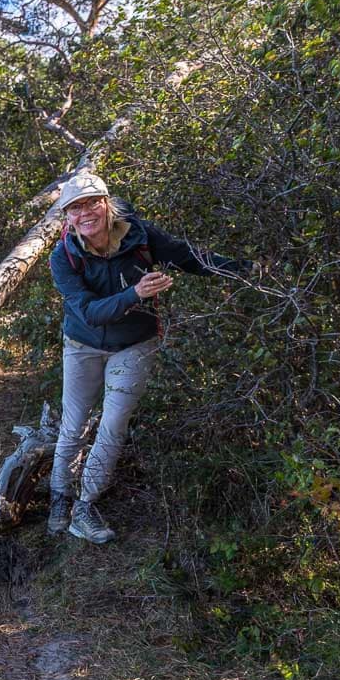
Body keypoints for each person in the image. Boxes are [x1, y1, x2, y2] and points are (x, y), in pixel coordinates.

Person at [47, 172, 251, 543]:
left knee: (113, 424)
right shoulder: (64, 255)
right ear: (67, 217)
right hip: (82, 346)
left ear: (106, 203)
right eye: (75, 208)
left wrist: (246, 269)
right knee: (73, 425)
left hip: (134, 344)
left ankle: (84, 506)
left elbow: (190, 258)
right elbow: (88, 312)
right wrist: (135, 294)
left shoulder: (140, 236)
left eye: (92, 202)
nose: (85, 212)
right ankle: (60, 496)